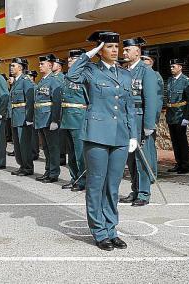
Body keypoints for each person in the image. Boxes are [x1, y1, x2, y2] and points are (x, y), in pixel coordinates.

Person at [66, 31, 137, 251]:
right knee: (96, 184)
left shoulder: (125, 75)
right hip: (96, 133)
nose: (115, 50)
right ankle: (99, 231)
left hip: (120, 136)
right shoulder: (90, 71)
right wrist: (90, 54)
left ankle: (111, 229)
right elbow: (71, 75)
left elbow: (129, 108)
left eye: (117, 47)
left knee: (113, 186)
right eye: (109, 47)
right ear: (100, 50)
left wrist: (134, 134)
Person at [119, 37, 158, 206]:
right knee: (130, 157)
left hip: (140, 118)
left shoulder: (146, 71)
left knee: (142, 157)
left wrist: (149, 124)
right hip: (127, 118)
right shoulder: (125, 71)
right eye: (124, 50)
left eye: (128, 50)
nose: (124, 52)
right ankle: (135, 189)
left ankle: (144, 192)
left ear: (137, 51)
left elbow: (151, 99)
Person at [60, 49, 88, 192]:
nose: (69, 61)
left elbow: (91, 101)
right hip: (66, 118)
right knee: (70, 153)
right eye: (69, 59)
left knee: (80, 153)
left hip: (79, 118)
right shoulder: (66, 77)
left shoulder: (84, 77)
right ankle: (74, 177)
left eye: (73, 59)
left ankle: (83, 180)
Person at [34, 54, 62, 183]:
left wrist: (55, 120)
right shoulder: (42, 80)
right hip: (41, 118)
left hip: (49, 117)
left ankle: (54, 173)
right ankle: (48, 170)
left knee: (53, 147)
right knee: (46, 147)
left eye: (42, 64)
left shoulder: (54, 80)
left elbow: (56, 102)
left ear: (50, 65)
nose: (40, 66)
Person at [165, 59, 189, 175]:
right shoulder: (170, 80)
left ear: (180, 67)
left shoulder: (186, 81)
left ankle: (185, 165)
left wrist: (186, 117)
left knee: (182, 140)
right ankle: (178, 163)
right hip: (171, 115)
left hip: (181, 115)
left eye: (173, 66)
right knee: (175, 141)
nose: (171, 68)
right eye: (171, 67)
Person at [9, 58, 35, 176]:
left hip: (23, 117)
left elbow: (30, 101)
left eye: (13, 66)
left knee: (24, 143)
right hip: (15, 116)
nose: (11, 68)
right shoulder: (16, 82)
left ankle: (28, 167)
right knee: (18, 144)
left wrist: (29, 118)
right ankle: (22, 165)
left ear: (20, 67)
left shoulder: (26, 81)